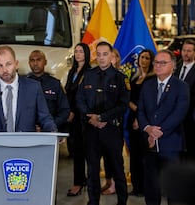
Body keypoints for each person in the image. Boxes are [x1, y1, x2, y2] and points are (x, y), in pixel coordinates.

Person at [76, 41, 129, 205]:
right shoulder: (88, 75)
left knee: (117, 169)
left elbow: (123, 104)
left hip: (111, 129)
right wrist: (91, 117)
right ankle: (93, 201)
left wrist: (103, 118)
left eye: (105, 54)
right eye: (98, 54)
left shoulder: (120, 78)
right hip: (91, 129)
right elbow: (80, 99)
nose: (101, 58)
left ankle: (122, 201)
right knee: (92, 170)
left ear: (111, 55)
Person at [137, 49, 190, 205]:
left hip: (170, 144)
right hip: (149, 144)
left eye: (163, 63)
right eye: (156, 62)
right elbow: (141, 111)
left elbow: (179, 114)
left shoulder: (181, 86)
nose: (158, 65)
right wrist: (147, 128)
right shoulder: (147, 85)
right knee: (151, 187)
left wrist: (156, 133)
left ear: (172, 66)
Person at [0, 45, 56, 133]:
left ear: (16, 64)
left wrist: (52, 131)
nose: (4, 70)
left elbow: (45, 118)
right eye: (0, 65)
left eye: (8, 64)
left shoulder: (33, 87)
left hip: (26, 144)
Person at [126, 49, 155, 197]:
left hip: (144, 121)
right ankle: (136, 187)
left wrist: (139, 116)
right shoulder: (134, 76)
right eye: (142, 57)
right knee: (134, 155)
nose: (143, 60)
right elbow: (130, 97)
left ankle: (145, 187)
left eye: (147, 58)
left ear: (151, 61)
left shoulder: (152, 79)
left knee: (145, 156)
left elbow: (148, 103)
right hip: (132, 119)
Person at [173, 39, 195, 161]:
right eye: (184, 50)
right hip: (174, 121)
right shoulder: (175, 69)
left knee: (190, 153)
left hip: (189, 120)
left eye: (189, 51)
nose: (186, 53)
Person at [65, 43, 90, 197]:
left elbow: (84, 96)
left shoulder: (89, 72)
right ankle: (80, 180)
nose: (78, 54)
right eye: (76, 52)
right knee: (75, 150)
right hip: (72, 117)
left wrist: (74, 110)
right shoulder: (72, 71)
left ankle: (79, 183)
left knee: (82, 151)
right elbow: (68, 92)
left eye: (81, 51)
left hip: (83, 117)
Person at [27, 50, 70, 131]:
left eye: (39, 60)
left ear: (45, 62)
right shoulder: (23, 84)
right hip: (29, 131)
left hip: (50, 130)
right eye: (32, 60)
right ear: (29, 63)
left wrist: (49, 124)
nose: (35, 63)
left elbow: (65, 110)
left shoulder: (55, 84)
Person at [101, 48, 122, 195]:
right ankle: (109, 182)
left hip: (116, 122)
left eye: (112, 57)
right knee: (106, 156)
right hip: (101, 123)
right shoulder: (101, 76)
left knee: (115, 157)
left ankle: (115, 185)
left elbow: (121, 103)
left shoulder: (120, 77)